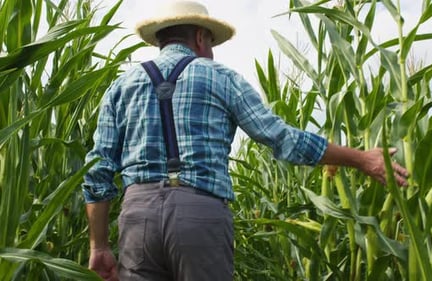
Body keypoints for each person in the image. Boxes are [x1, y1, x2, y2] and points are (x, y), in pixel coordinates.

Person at [83, 1, 409, 280]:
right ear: (200, 37)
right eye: (211, 43)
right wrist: (362, 159)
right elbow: (282, 139)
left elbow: (97, 172)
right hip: (200, 214)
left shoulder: (121, 86)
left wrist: (98, 246)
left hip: (137, 220)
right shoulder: (221, 77)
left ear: (161, 40)